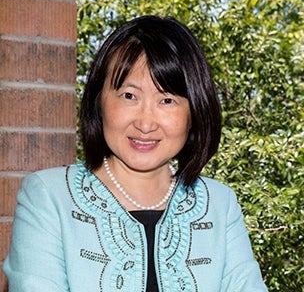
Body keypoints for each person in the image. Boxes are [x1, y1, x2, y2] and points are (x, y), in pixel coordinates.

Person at [3, 15, 268, 291]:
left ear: (194, 112)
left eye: (167, 100)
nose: (145, 123)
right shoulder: (49, 196)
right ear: (99, 101)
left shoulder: (219, 204)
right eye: (129, 96)